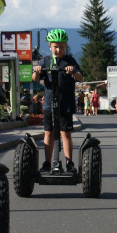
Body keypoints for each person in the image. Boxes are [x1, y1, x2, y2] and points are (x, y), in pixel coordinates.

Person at [32, 29, 83, 173]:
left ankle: (69, 163)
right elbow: (35, 79)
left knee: (65, 133)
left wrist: (72, 71)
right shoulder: (46, 60)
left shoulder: (70, 60)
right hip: (49, 103)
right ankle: (47, 163)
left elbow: (80, 77)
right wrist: (37, 71)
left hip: (65, 103)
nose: (58, 49)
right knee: (48, 133)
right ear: (50, 46)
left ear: (65, 46)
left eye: (61, 46)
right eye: (55, 46)